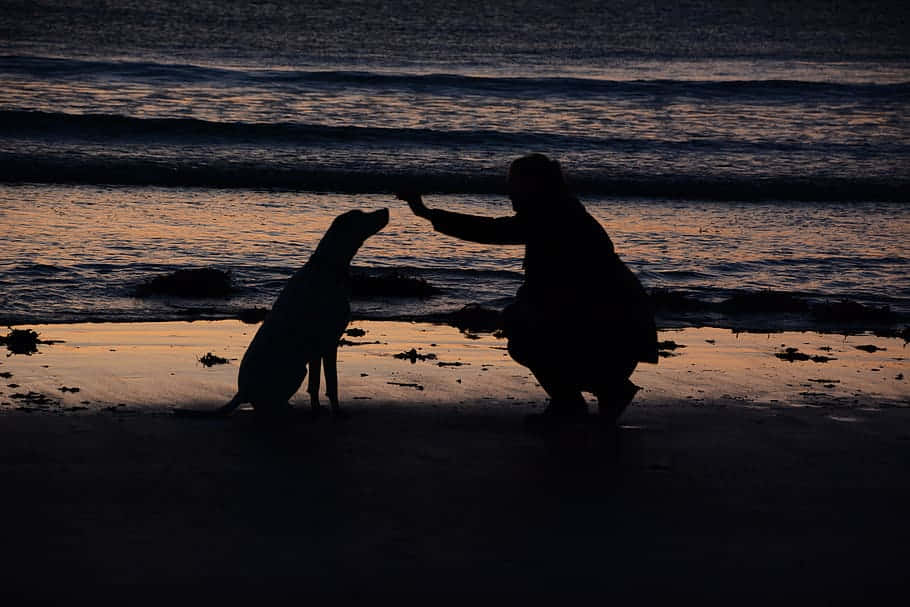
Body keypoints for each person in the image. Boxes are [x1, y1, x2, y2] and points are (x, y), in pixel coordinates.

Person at [398, 154, 657, 426]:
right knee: (523, 323)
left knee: (523, 330)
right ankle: (597, 392)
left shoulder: (553, 215)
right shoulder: (560, 210)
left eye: (514, 184)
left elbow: (493, 231)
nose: (510, 192)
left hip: (617, 328)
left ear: (534, 185)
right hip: (619, 325)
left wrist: (427, 213)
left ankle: (587, 397)